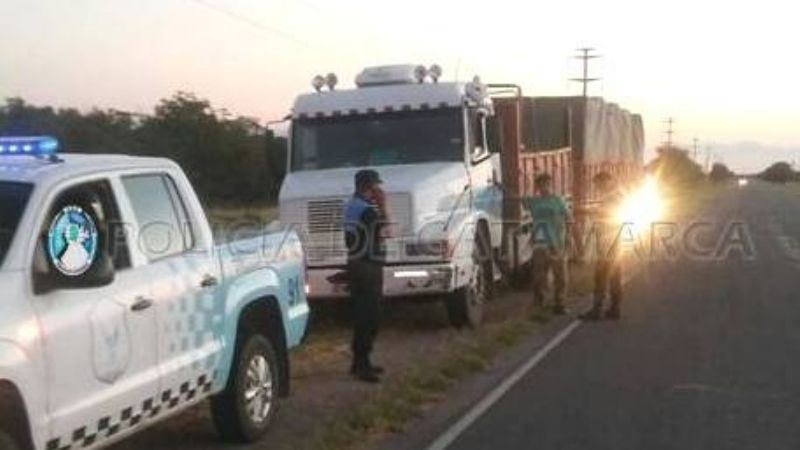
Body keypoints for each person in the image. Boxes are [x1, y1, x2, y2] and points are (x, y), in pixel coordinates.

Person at [343, 169, 389, 383]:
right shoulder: (366, 210)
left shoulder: (352, 205)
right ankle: (362, 364)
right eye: (375, 187)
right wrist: (383, 206)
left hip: (357, 263)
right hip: (367, 267)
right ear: (368, 187)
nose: (378, 191)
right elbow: (386, 231)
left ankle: (360, 362)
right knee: (370, 316)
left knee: (363, 315)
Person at [522, 173, 571, 315]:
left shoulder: (558, 201)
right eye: (541, 184)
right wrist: (500, 188)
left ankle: (559, 303)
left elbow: (568, 218)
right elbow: (516, 198)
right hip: (540, 243)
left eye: (547, 184)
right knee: (539, 276)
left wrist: (569, 236)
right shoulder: (534, 202)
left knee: (560, 276)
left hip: (556, 243)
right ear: (537, 186)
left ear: (550, 184)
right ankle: (539, 303)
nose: (544, 187)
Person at [580, 171, 624, 321]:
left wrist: (584, 211)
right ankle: (614, 309)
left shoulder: (613, 197)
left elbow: (606, 213)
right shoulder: (615, 196)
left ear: (607, 182)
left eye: (599, 184)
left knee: (601, 277)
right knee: (614, 277)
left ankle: (597, 311)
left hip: (609, 242)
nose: (597, 187)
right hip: (612, 241)